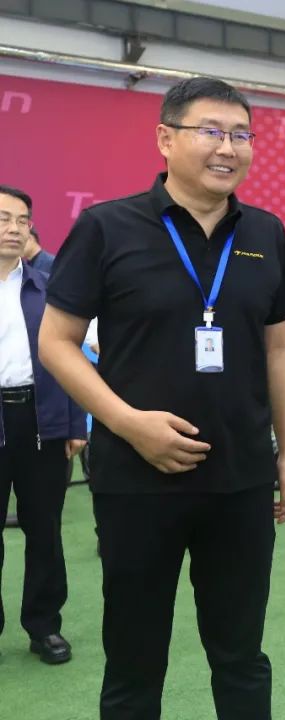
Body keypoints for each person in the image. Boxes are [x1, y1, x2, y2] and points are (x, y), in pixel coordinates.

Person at [38, 77, 285, 719]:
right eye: (211, 131)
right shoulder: (107, 227)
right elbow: (56, 342)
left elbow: (278, 349)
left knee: (241, 657)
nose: (228, 148)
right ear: (165, 138)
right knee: (134, 662)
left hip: (240, 479)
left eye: (241, 135)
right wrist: (129, 424)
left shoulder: (265, 232)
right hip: (137, 480)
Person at [0, 185, 86, 665]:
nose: (14, 229)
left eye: (22, 220)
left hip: (41, 421)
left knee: (45, 530)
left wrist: (75, 423)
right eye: (3, 219)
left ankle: (44, 626)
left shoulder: (47, 287)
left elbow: (68, 357)